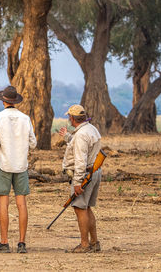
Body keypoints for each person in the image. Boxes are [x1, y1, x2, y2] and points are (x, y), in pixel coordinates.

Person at [0, 86, 37, 254]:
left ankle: (4, 242)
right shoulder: (25, 118)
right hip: (21, 165)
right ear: (15, 101)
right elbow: (33, 143)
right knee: (21, 204)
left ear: (3, 101)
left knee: (4, 203)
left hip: (4, 163)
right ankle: (22, 243)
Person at [58, 104, 102, 253]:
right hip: (94, 171)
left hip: (84, 174)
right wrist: (67, 137)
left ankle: (84, 244)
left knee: (80, 208)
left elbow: (81, 160)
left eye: (69, 117)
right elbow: (80, 145)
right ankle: (94, 242)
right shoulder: (91, 129)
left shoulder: (82, 134)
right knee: (87, 207)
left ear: (72, 118)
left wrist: (77, 183)